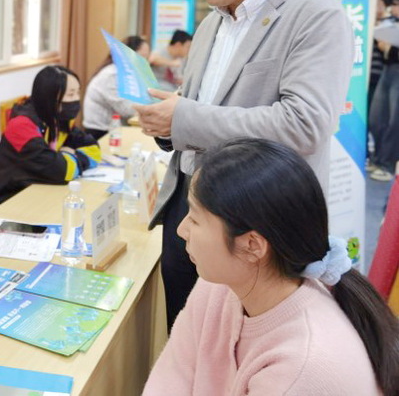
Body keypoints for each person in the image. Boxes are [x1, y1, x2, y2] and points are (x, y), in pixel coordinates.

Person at [133, 0, 353, 331]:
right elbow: (199, 109)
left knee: (244, 345)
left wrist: (184, 118)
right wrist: (168, 125)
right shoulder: (211, 22)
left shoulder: (315, 15)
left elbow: (305, 124)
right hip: (188, 211)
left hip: (253, 227)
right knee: (185, 334)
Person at [143, 138, 399, 395]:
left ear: (252, 245)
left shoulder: (303, 367)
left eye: (196, 219)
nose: (181, 229)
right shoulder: (221, 282)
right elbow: (172, 375)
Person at [0, 65, 101, 215]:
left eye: (78, 92)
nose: (76, 99)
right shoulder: (21, 126)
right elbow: (61, 171)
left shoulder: (59, 118)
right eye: (70, 94)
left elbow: (93, 148)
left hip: (40, 193)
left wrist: (68, 158)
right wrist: (69, 156)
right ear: (50, 96)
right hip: (6, 206)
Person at [83, 35, 150, 139]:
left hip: (114, 129)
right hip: (100, 133)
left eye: (147, 57)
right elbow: (127, 110)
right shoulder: (112, 75)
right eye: (142, 57)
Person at [368, 0, 399, 182]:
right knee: (377, 118)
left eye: (396, 5)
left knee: (394, 122)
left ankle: (387, 165)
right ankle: (377, 159)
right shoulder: (392, 23)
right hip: (388, 70)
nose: (392, 9)